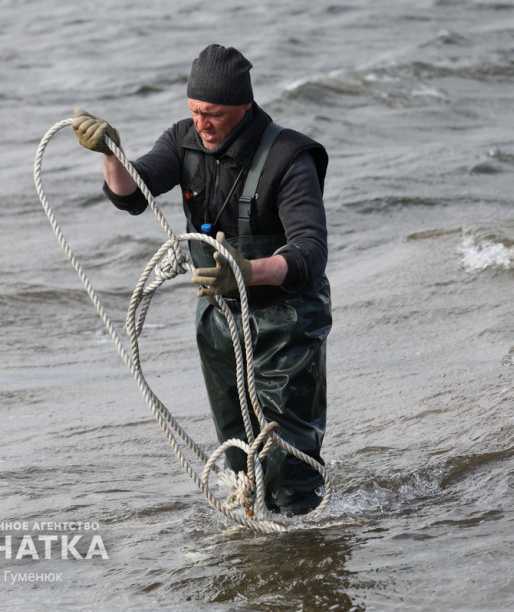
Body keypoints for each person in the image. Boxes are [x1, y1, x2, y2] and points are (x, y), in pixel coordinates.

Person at [72, 44, 330, 516]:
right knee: (236, 451)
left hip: (287, 321)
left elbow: (312, 252)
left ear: (244, 108)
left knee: (287, 457)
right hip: (219, 318)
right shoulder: (183, 139)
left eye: (213, 114)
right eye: (194, 112)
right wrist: (111, 153)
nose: (202, 124)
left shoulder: (292, 158)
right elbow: (133, 193)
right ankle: (251, 525)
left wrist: (249, 272)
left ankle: (303, 541)